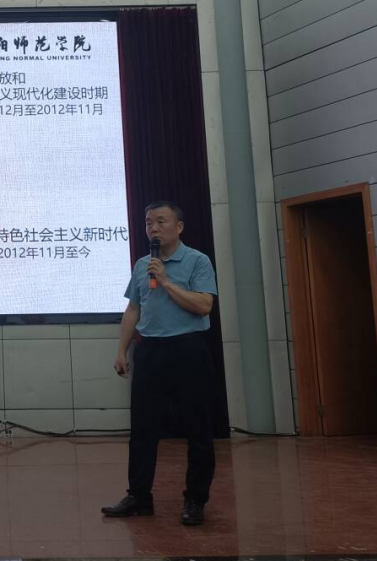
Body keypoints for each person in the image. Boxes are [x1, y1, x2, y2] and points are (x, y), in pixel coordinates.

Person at [101, 201, 218, 526]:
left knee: (197, 429)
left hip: (188, 349)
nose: (153, 228)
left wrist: (166, 281)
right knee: (142, 428)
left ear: (179, 227)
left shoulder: (197, 261)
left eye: (160, 222)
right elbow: (133, 309)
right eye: (148, 222)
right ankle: (139, 496)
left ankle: (195, 499)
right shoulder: (143, 264)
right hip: (150, 350)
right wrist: (122, 350)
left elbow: (204, 305)